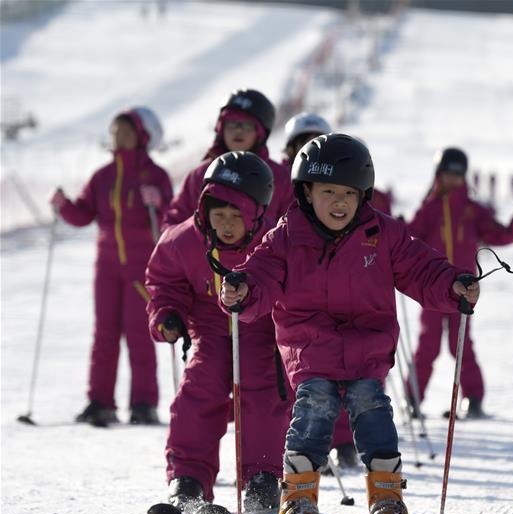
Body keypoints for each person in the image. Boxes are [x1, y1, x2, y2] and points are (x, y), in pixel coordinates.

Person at [220, 133, 479, 514]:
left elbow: (421, 268)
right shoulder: (286, 237)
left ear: (364, 195)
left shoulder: (383, 234)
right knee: (316, 403)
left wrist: (454, 286)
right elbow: (260, 276)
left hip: (366, 346)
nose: (338, 203)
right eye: (327, 193)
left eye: (348, 194)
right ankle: (299, 499)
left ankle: (388, 498)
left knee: (370, 405)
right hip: (310, 345)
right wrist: (243, 291)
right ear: (306, 192)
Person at [145, 151, 291, 513]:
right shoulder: (184, 240)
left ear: (256, 213)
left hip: (259, 329)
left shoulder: (275, 241)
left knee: (262, 398)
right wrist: (169, 314)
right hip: (208, 330)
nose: (225, 225)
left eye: (236, 217)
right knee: (198, 392)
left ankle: (262, 476)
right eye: (218, 214)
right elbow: (166, 281)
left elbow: (295, 282)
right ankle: (188, 478)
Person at [50, 106, 172, 426]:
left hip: (141, 267)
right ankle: (99, 400)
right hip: (106, 267)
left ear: (143, 136)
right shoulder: (103, 176)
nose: (119, 137)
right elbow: (83, 214)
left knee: (138, 334)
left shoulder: (155, 176)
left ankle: (144, 403)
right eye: (116, 131)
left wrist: (157, 202)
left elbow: (171, 220)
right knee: (104, 334)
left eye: (127, 132)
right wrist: (64, 206)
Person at [406, 147, 513, 418]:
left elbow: (497, 234)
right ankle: (412, 399)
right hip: (433, 288)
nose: (453, 180)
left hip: (465, 289)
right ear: (439, 175)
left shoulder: (472, 210)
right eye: (448, 174)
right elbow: (409, 239)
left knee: (461, 345)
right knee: (428, 344)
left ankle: (474, 398)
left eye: (458, 175)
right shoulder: (430, 208)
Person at [281, 111, 359, 471]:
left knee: (340, 370)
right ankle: (304, 449)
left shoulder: (340, 183)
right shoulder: (280, 182)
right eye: (299, 144)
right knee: (300, 381)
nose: (304, 149)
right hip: (288, 294)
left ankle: (343, 441)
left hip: (336, 289)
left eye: (311, 143)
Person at [162, 89, 294, 229]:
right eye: (231, 123)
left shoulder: (281, 178)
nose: (238, 130)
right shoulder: (200, 176)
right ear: (220, 128)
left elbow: (293, 231)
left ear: (260, 133)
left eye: (247, 125)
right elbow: (173, 229)